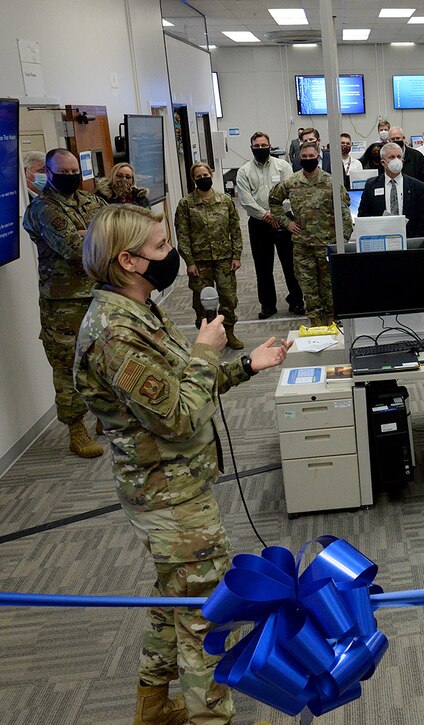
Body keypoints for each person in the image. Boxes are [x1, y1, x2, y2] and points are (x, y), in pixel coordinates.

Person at [73, 203, 288, 725]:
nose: (171, 254)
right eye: (161, 247)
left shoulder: (139, 309)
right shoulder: (115, 333)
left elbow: (180, 383)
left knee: (177, 598)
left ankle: (152, 705)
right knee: (205, 615)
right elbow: (176, 415)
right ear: (128, 261)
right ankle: (210, 718)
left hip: (177, 485)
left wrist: (245, 364)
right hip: (167, 496)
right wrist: (207, 350)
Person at [22, 148, 108, 458]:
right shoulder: (43, 208)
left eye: (74, 172)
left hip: (97, 294)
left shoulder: (89, 200)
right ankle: (76, 430)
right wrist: (95, 234)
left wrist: (90, 232)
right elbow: (72, 247)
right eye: (64, 172)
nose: (71, 177)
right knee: (68, 368)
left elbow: (114, 228)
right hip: (63, 305)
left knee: (101, 360)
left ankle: (104, 415)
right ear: (48, 172)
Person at [269, 142, 352, 326]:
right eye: (304, 157)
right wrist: (287, 223)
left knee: (330, 288)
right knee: (309, 289)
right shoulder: (291, 182)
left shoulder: (331, 182)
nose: (308, 159)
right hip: (303, 247)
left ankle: (333, 323)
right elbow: (274, 202)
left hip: (327, 246)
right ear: (299, 158)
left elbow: (345, 215)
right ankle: (315, 324)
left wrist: (342, 242)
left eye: (311, 156)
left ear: (318, 157)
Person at [235, 131, 305, 320]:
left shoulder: (283, 166)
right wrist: (265, 215)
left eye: (263, 145)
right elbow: (245, 200)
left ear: (270, 146)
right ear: (251, 148)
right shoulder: (244, 171)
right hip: (258, 223)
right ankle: (268, 306)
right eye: (257, 146)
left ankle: (296, 301)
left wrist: (277, 214)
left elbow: (291, 193)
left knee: (291, 265)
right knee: (263, 267)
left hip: (284, 221)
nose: (260, 148)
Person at [174, 162, 244, 349]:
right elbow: (182, 236)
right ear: (193, 179)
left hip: (224, 259)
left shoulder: (225, 200)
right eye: (199, 177)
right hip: (199, 262)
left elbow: (235, 230)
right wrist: (189, 262)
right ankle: (206, 338)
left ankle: (229, 333)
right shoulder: (186, 204)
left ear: (211, 176)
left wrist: (236, 255)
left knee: (228, 298)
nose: (203, 179)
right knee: (202, 302)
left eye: (205, 175)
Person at [358, 142, 424, 239]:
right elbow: (363, 215)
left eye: (399, 157)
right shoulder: (371, 185)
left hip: (410, 240)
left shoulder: (417, 186)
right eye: (392, 157)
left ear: (402, 160)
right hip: (380, 239)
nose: (396, 160)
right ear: (383, 162)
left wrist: (414, 240)